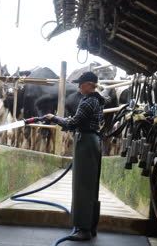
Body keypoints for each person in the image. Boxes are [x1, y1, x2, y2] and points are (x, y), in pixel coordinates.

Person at [44, 71, 104, 241]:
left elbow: (73, 123)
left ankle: (83, 229)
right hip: (91, 141)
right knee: (90, 186)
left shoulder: (88, 102)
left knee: (82, 186)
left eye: (81, 83)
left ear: (88, 84)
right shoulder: (97, 100)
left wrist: (54, 118)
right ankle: (90, 226)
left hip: (85, 142)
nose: (78, 87)